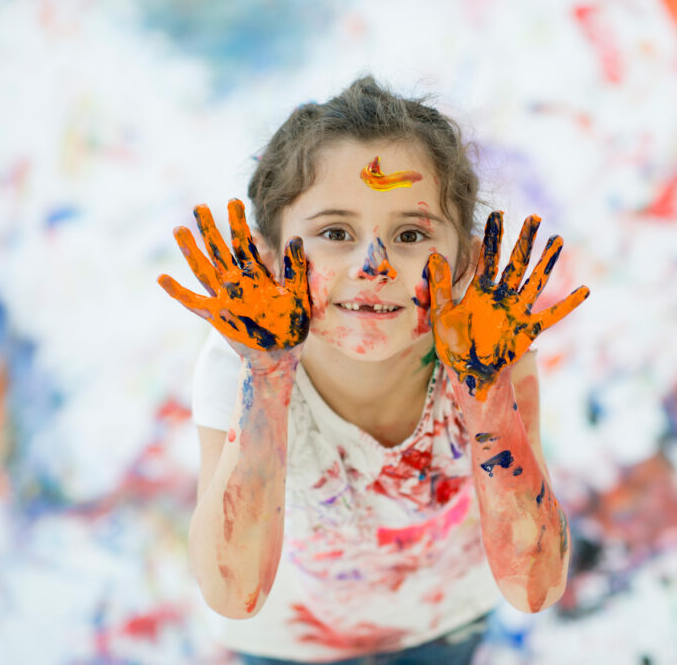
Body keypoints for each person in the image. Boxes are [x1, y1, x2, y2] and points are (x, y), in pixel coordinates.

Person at [157, 76, 590, 664]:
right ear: (267, 254)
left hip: (444, 625)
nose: (374, 264)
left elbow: (534, 587)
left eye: (411, 234)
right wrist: (269, 371)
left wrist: (484, 390)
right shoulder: (238, 362)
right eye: (335, 233)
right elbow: (233, 594)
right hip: (290, 642)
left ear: (464, 257)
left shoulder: (488, 353)